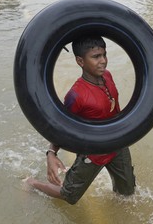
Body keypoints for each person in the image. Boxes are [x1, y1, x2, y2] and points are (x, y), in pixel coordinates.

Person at [26, 35, 136, 205]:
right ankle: (32, 183)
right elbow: (60, 126)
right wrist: (51, 152)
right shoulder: (76, 96)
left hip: (117, 145)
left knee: (127, 193)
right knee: (69, 195)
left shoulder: (108, 76)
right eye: (96, 57)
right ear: (80, 61)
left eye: (104, 55)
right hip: (93, 152)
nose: (103, 61)